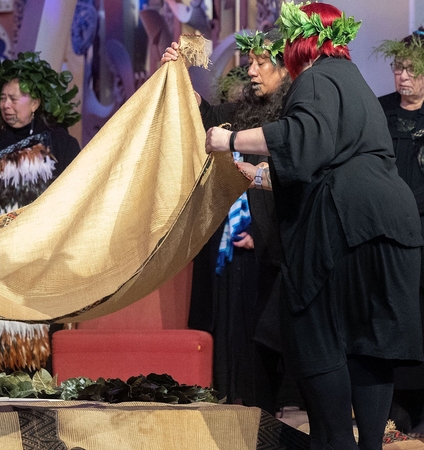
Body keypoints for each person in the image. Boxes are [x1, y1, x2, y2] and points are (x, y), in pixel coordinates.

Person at [206, 3, 424, 449]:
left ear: (303, 42)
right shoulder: (354, 80)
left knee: (317, 337)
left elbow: (298, 136)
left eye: (286, 40)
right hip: (391, 224)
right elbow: (323, 156)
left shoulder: (318, 77)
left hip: (344, 224)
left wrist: (227, 140)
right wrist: (259, 176)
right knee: (369, 342)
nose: (282, 49)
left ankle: (336, 442)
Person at [162, 29, 290, 414]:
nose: (250, 70)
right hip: (231, 247)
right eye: (249, 62)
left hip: (276, 249)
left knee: (268, 346)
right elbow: (208, 119)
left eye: (260, 62)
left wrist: (261, 228)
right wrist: (179, 77)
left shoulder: (297, 111)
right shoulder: (244, 108)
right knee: (232, 337)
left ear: (285, 68)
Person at [0, 51, 81, 377]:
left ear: (36, 101)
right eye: (3, 97)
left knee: (36, 361)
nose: (7, 104)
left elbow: (76, 202)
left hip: (39, 269)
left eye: (15, 97)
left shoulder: (60, 145)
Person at [376, 28, 424, 438]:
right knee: (393, 315)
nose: (403, 77)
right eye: (398, 68)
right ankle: (394, 409)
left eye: (412, 70)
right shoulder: (380, 111)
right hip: (390, 233)